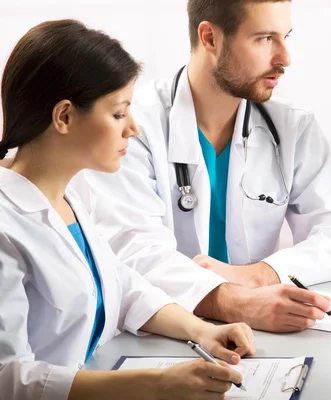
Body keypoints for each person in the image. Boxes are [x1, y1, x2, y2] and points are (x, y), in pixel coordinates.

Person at [0, 19, 255, 400]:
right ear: (64, 117)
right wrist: (157, 384)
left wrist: (201, 330)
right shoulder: (7, 226)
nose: (133, 129)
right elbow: (9, 378)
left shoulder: (71, 197)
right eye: (119, 113)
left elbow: (120, 285)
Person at [82, 0, 331, 333]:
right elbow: (132, 252)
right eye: (264, 39)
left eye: (285, 37)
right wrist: (234, 302)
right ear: (210, 38)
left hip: (263, 332)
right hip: (160, 336)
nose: (284, 58)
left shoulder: (292, 128)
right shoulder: (131, 126)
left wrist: (258, 275)